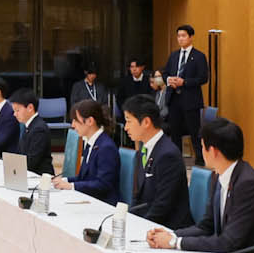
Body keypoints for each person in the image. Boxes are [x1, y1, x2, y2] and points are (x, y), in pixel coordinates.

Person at [147, 116, 254, 253]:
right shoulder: (220, 175)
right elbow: (206, 226)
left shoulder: (248, 184)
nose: (201, 151)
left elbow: (228, 242)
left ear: (213, 151)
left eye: (202, 146)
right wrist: (172, 235)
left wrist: (174, 243)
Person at [124, 96, 188, 225]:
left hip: (167, 227)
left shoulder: (168, 155)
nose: (126, 127)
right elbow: (137, 196)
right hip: (147, 221)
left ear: (146, 122)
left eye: (129, 121)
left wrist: (139, 227)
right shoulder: (143, 149)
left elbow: (162, 205)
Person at [162, 24, 210, 162]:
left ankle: (200, 160)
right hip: (174, 99)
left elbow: (203, 78)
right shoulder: (174, 55)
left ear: (190, 37)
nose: (180, 39)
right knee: (175, 132)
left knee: (194, 132)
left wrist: (185, 82)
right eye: (178, 36)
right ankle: (176, 160)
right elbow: (165, 72)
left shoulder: (199, 56)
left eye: (183, 36)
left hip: (190, 100)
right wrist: (168, 79)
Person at [63, 101, 122, 202]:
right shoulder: (91, 142)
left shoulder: (106, 148)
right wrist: (64, 181)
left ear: (90, 121)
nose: (73, 125)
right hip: (90, 198)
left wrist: (71, 186)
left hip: (103, 203)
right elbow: (83, 178)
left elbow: (103, 184)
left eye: (76, 120)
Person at [1, 87, 56, 175]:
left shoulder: (39, 129)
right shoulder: (28, 125)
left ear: (30, 107)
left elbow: (32, 161)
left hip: (40, 177)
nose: (15, 114)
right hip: (29, 173)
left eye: (17, 110)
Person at [113, 56, 156, 141]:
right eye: (132, 67)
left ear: (142, 67)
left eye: (137, 66)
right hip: (129, 113)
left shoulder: (148, 80)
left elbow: (152, 97)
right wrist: (127, 110)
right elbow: (120, 99)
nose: (134, 69)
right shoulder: (125, 81)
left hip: (145, 112)